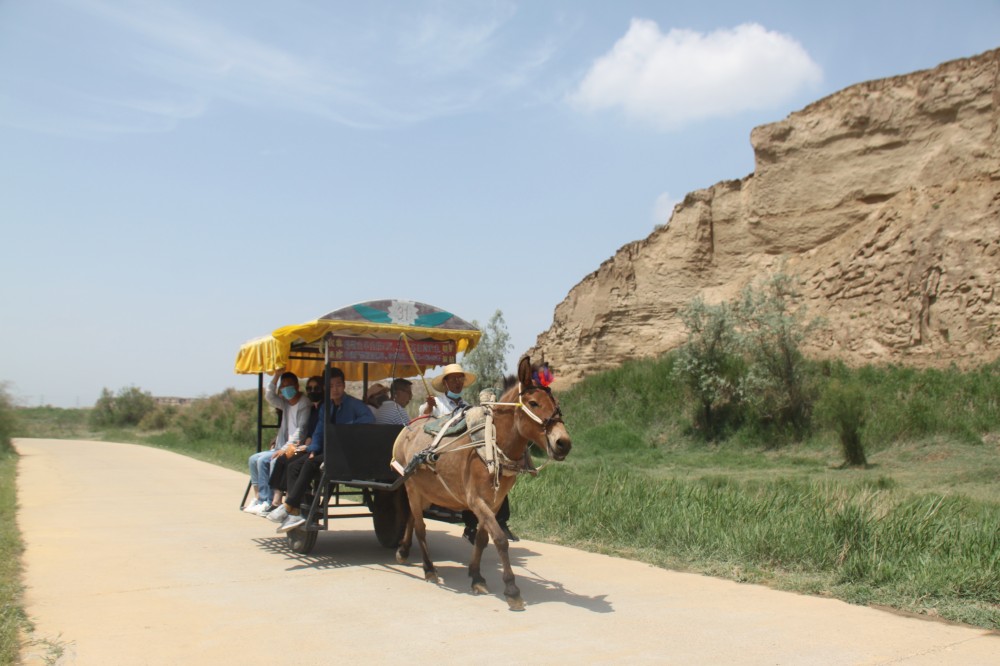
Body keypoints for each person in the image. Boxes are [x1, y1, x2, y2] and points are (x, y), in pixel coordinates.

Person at [269, 366, 374, 532]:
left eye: (338, 385)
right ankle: (295, 509)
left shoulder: (354, 405)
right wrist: (313, 448)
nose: (335, 389)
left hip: (346, 453)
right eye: (331, 386)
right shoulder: (326, 407)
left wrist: (345, 428)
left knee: (310, 465)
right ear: (326, 388)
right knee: (293, 464)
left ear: (344, 385)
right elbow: (319, 430)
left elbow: (369, 419)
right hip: (327, 450)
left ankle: (290, 506)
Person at [422, 363, 518, 543]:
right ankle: (476, 523)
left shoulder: (467, 405)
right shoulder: (437, 403)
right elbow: (424, 421)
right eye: (453, 379)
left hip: (463, 450)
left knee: (493, 472)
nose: (458, 382)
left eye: (460, 379)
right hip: (445, 450)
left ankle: (496, 521)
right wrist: (428, 408)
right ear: (446, 383)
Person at [244, 370, 312, 515]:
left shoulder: (304, 403)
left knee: (270, 461)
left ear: (297, 386)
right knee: (253, 459)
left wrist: (285, 449)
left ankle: (270, 501)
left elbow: (301, 429)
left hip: (297, 447)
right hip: (283, 445)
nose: (286, 389)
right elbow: (269, 396)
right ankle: (260, 499)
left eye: (289, 385)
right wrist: (276, 376)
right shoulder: (286, 404)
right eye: (283, 386)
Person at [261, 375, 323, 515]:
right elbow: (311, 430)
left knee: (288, 460)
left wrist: (308, 442)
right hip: (301, 447)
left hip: (304, 448)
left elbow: (308, 430)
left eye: (316, 388)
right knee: (283, 459)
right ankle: (276, 501)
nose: (312, 391)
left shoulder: (315, 406)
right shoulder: (312, 407)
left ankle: (289, 501)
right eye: (310, 388)